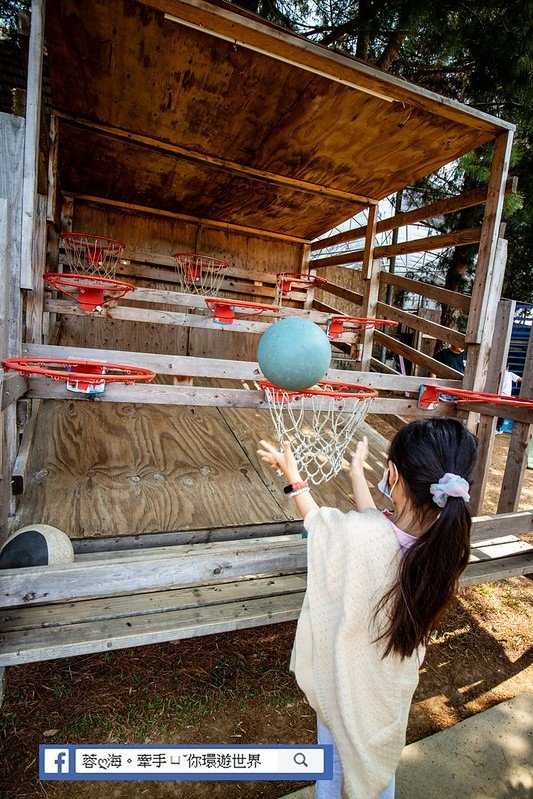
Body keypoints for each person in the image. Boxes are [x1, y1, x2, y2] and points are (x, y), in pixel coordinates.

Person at [258, 418, 478, 799]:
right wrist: (357, 474)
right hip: (389, 686)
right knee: (376, 762)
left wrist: (293, 477)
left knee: (331, 761)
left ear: (391, 475)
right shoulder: (442, 544)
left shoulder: (363, 538)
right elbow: (376, 523)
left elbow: (319, 522)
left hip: (345, 677)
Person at [496, 366, 522, 433]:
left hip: (498, 395)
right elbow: (520, 379)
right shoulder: (510, 374)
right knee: (502, 413)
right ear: (507, 367)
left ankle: (496, 427)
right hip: (506, 396)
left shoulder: (498, 374)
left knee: (497, 411)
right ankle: (498, 428)